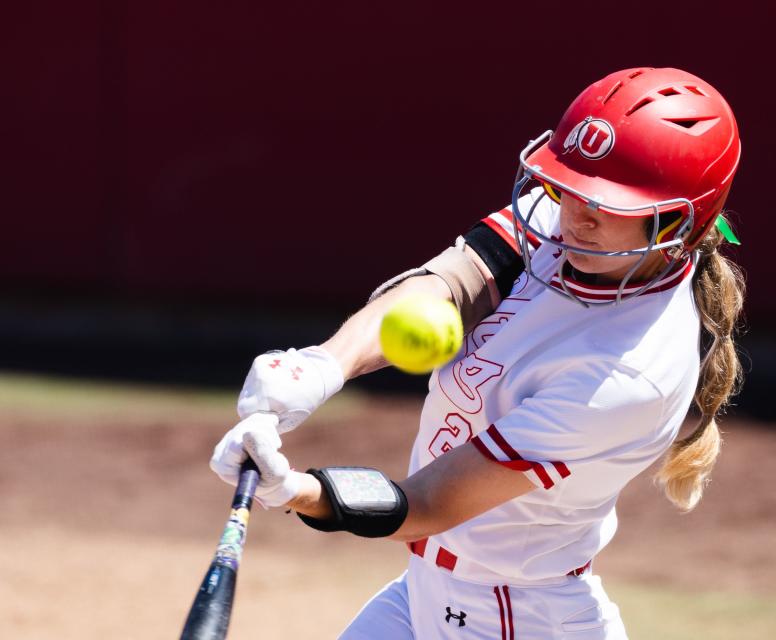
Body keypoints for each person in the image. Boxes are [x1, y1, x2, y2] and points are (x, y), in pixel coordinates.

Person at [210, 66, 745, 639]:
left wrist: (295, 490)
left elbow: (429, 503)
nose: (576, 214)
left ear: (679, 220)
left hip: (511, 618)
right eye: (570, 187)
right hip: (431, 591)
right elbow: (448, 285)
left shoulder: (626, 374)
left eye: (608, 202)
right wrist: (322, 366)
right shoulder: (563, 223)